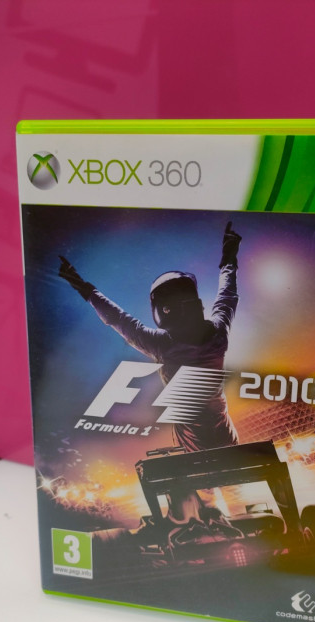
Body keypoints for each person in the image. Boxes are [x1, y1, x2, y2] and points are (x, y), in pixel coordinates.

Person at [59, 221, 243, 532]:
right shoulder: (217, 332)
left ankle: (203, 520)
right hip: (227, 439)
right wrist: (229, 255)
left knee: (180, 479)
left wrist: (82, 286)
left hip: (195, 448)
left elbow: (117, 319)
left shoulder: (162, 345)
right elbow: (228, 294)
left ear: (164, 310)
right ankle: (217, 516)